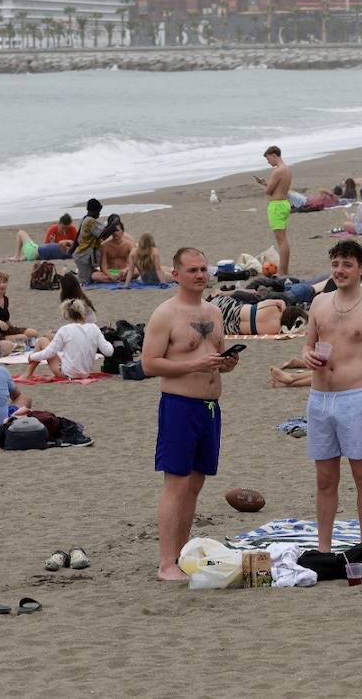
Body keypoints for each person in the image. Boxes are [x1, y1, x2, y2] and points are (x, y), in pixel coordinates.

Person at [141, 246, 240, 580]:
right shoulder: (165, 314)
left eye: (203, 269)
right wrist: (194, 364)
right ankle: (165, 562)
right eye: (193, 270)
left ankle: (181, 555)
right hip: (179, 406)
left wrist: (227, 364)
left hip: (210, 407)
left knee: (195, 483)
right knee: (177, 483)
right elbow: (149, 363)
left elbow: (215, 357)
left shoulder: (213, 312)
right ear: (176, 274)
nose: (200, 275)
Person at [299, 239, 362, 554]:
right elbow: (307, 345)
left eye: (346, 264)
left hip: (356, 397)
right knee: (325, 479)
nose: (339, 270)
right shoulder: (319, 303)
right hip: (319, 398)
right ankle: (324, 548)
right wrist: (307, 356)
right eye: (335, 264)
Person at [25, 299, 114, 379]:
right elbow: (109, 352)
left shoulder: (65, 329)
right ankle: (28, 374)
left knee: (42, 341)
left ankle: (27, 374)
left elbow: (49, 352)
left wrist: (32, 356)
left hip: (68, 374)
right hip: (86, 373)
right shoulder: (94, 328)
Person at [257, 145, 292, 277]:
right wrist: (266, 183)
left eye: (268, 159)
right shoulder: (287, 169)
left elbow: (269, 191)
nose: (268, 162)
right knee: (283, 239)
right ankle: (285, 269)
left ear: (273, 155)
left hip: (277, 205)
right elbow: (278, 188)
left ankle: (283, 270)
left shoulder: (278, 171)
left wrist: (266, 186)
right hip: (283, 203)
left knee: (281, 240)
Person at [72, 199, 121, 285]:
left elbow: (102, 232)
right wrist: (114, 223)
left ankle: (75, 277)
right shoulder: (90, 221)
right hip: (83, 256)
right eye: (98, 211)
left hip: (84, 256)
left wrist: (110, 225)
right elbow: (103, 234)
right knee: (87, 281)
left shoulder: (85, 219)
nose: (99, 214)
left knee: (89, 276)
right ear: (93, 211)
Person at [0, 271, 39, 341]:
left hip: (6, 330)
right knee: (23, 337)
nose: (2, 285)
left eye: (4, 282)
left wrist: (14, 327)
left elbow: (5, 318)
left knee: (33, 333)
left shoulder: (5, 299)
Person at [8, 228, 73, 262]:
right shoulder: (66, 253)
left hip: (34, 250)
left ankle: (16, 256)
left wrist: (69, 241)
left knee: (20, 232)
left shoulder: (66, 249)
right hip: (35, 254)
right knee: (32, 251)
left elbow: (61, 243)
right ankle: (20, 258)